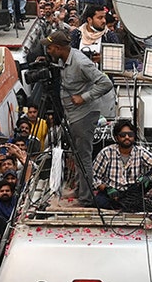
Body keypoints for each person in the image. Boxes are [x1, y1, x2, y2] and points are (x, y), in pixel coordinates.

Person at [41, 30, 116, 205]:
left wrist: (84, 97)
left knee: (84, 157)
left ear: (59, 48)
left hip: (84, 115)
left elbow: (105, 83)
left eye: (50, 48)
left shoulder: (81, 62)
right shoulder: (64, 59)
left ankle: (86, 198)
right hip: (71, 114)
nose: (48, 51)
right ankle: (80, 187)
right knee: (76, 155)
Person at [92, 119, 152, 217]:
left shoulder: (140, 152)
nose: (127, 137)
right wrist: (106, 188)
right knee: (99, 202)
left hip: (134, 190)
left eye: (130, 135)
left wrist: (149, 178)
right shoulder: (106, 153)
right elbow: (93, 176)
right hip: (113, 192)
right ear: (117, 137)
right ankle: (122, 205)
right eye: (123, 135)